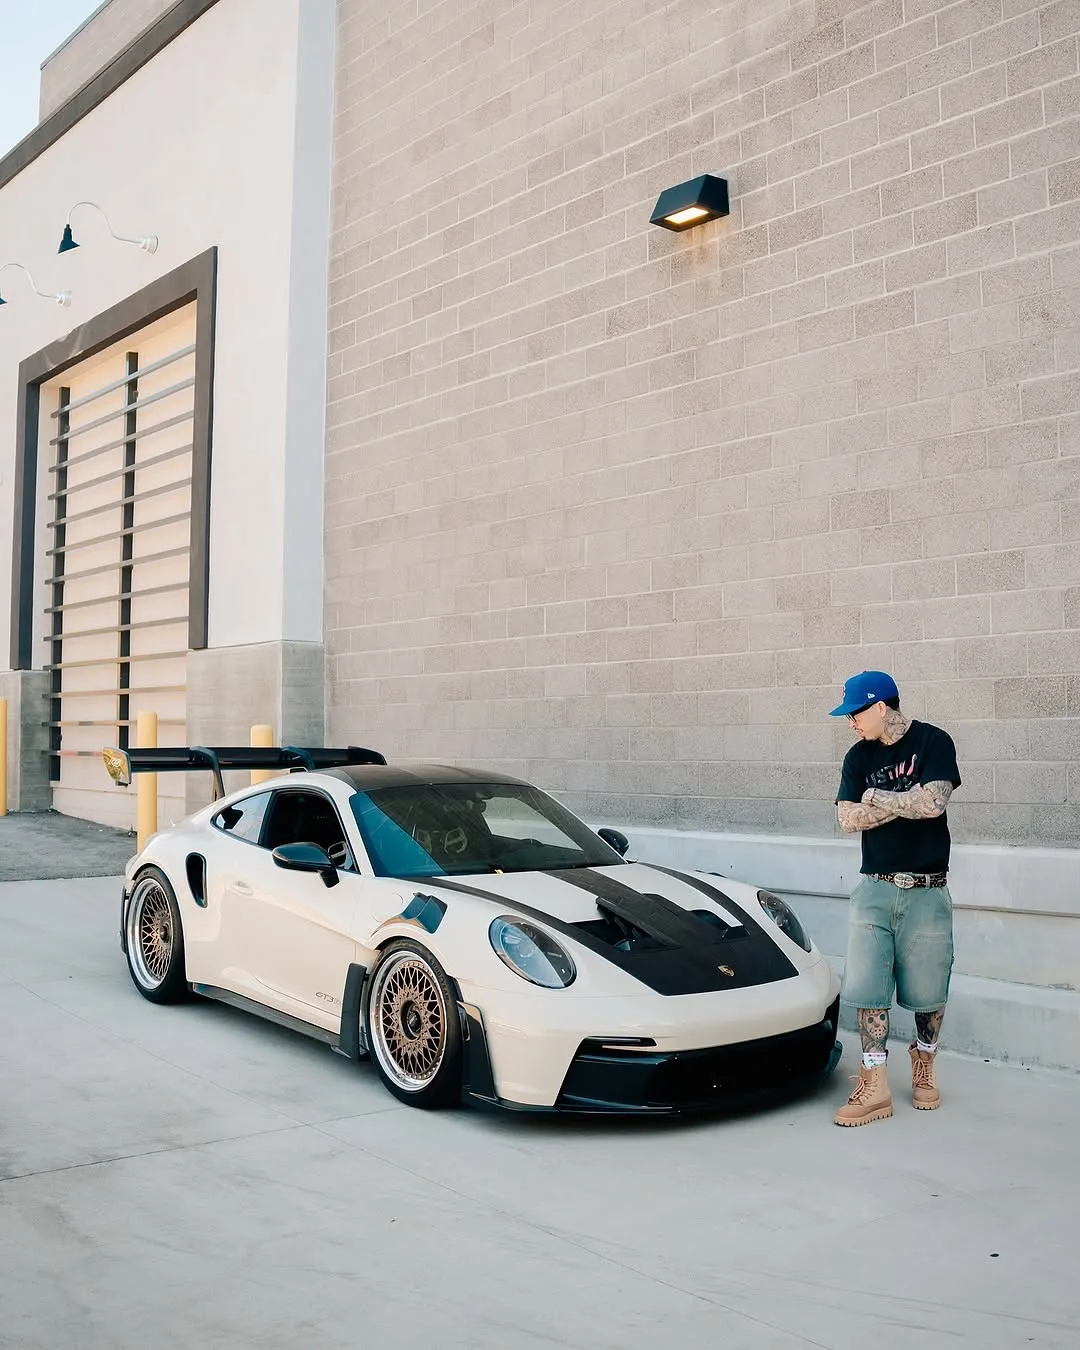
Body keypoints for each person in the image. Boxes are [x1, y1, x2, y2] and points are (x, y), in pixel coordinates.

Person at [828, 671, 961, 1127]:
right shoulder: (856, 756)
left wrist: (875, 797)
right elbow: (847, 818)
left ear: (881, 706)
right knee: (867, 988)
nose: (850, 722)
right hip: (875, 887)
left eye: (855, 712)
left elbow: (934, 804)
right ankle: (875, 1083)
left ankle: (924, 1062)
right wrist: (903, 800)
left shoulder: (933, 742)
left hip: (927, 889)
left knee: (928, 992)